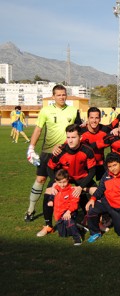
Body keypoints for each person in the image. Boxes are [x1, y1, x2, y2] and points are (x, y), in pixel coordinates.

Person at [25, 84, 79, 222]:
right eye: (59, 95)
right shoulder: (45, 111)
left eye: (64, 94)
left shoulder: (73, 111)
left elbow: (79, 129)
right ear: (53, 96)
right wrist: (31, 148)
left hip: (65, 152)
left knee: (64, 181)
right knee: (40, 179)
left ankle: (65, 210)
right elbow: (38, 130)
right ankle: (30, 210)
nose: (62, 97)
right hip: (48, 151)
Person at [37, 124, 97, 237]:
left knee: (97, 192)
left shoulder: (87, 150)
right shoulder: (60, 151)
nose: (70, 140)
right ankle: (48, 226)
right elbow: (50, 167)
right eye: (68, 137)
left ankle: (92, 220)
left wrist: (80, 187)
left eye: (73, 137)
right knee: (48, 192)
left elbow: (92, 171)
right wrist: (55, 182)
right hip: (65, 180)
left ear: (80, 137)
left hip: (81, 179)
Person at [85, 152, 120, 242]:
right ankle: (95, 232)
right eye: (110, 166)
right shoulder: (106, 175)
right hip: (108, 203)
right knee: (91, 208)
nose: (112, 169)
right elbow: (101, 188)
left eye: (115, 165)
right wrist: (92, 199)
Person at [48, 169, 83, 245]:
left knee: (68, 220)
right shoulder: (56, 188)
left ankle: (77, 238)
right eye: (60, 182)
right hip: (58, 215)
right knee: (63, 234)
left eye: (64, 182)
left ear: (68, 180)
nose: (62, 184)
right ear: (56, 181)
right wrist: (50, 200)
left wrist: (68, 211)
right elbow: (52, 195)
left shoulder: (72, 190)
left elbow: (74, 204)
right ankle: (77, 227)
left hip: (69, 212)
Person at [80, 107, 112, 180]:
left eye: (96, 118)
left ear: (100, 119)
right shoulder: (81, 132)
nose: (94, 121)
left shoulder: (105, 130)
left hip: (100, 163)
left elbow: (118, 131)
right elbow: (69, 142)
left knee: (106, 185)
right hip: (85, 164)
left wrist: (116, 130)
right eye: (91, 118)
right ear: (88, 118)